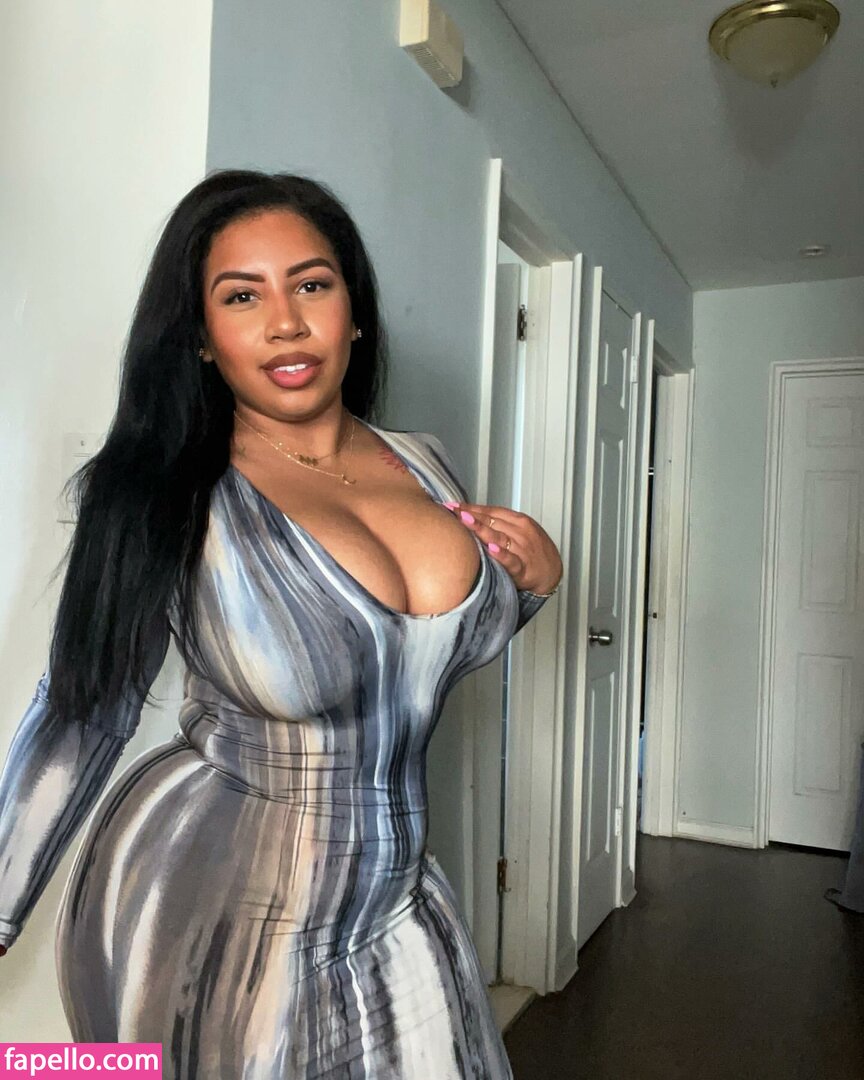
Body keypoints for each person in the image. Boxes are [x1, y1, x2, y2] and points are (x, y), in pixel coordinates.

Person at [0, 170, 563, 1078]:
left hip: (398, 894)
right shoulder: (161, 491)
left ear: (354, 311)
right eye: (241, 296)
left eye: (311, 284)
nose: (286, 323)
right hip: (221, 907)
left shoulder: (425, 464)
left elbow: (411, 665)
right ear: (200, 337)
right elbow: (83, 709)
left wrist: (532, 584)